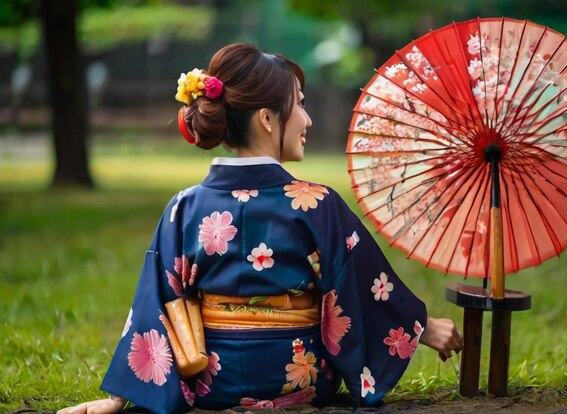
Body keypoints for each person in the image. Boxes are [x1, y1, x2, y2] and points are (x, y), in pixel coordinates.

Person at [59, 43, 462, 414]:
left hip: (210, 384)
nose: (307, 118)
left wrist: (120, 398)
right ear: (268, 119)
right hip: (299, 380)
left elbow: (158, 298)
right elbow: (361, 284)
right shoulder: (317, 204)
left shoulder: (184, 207)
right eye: (300, 105)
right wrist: (420, 327)